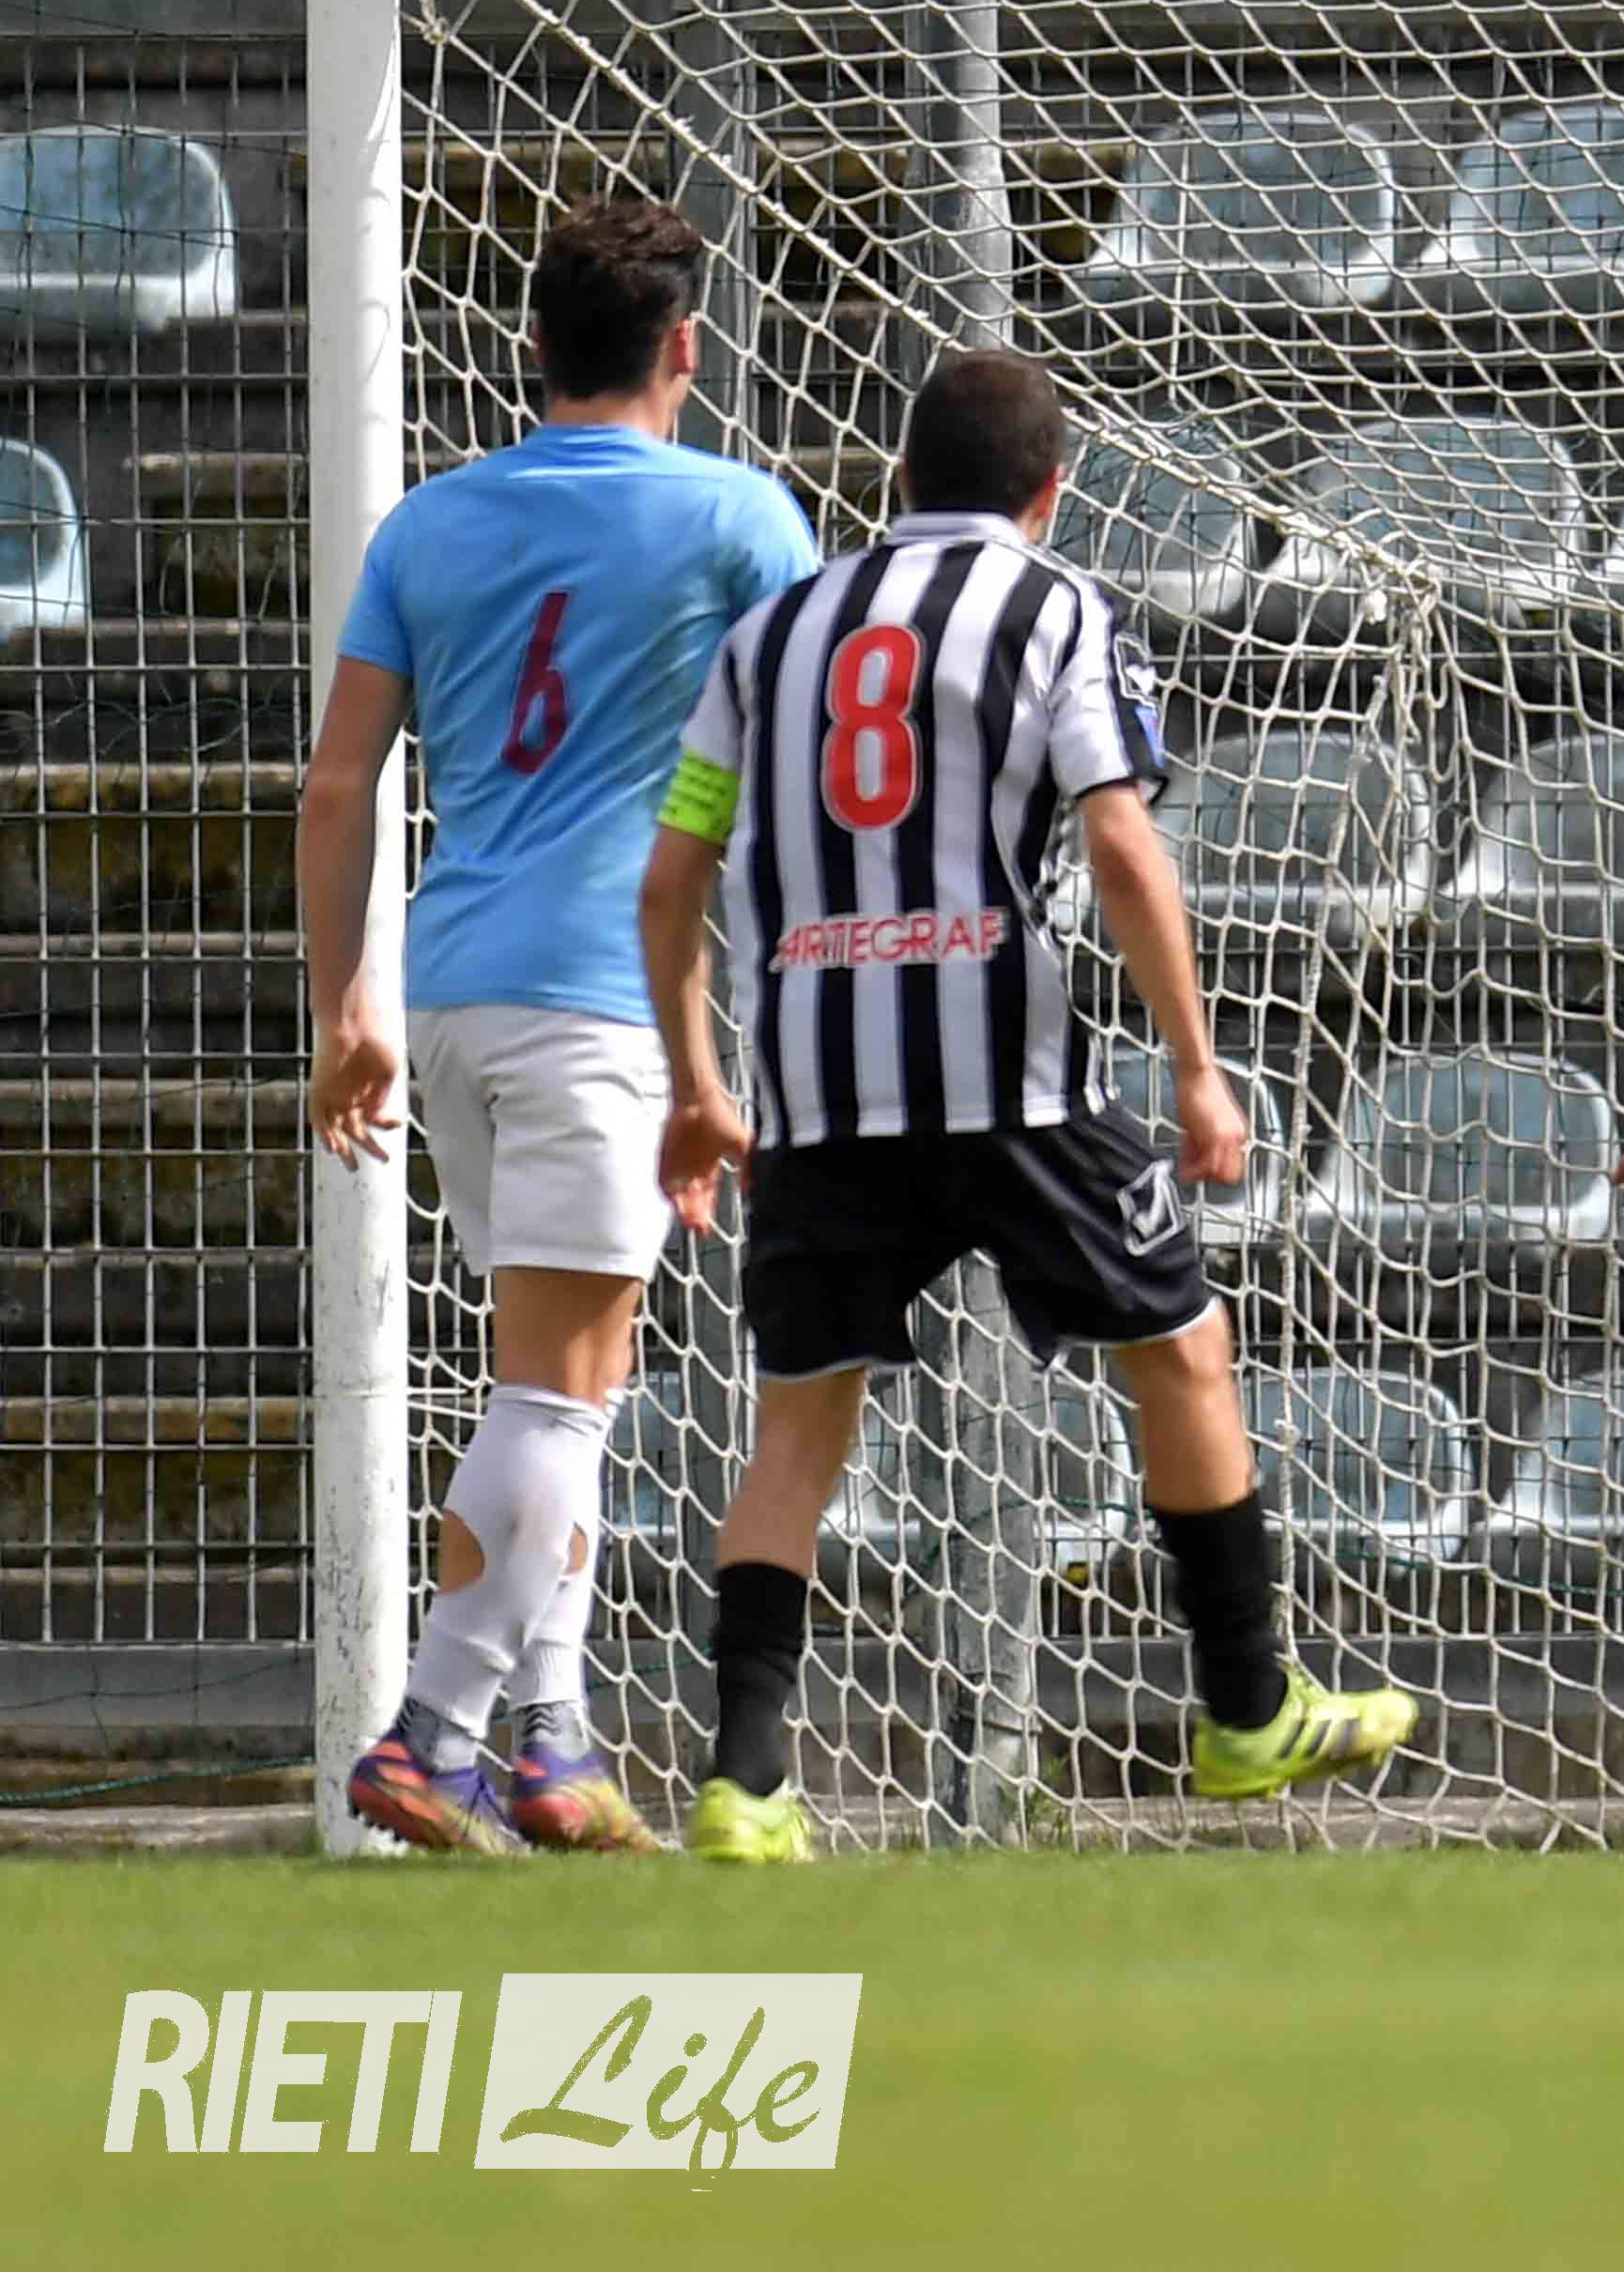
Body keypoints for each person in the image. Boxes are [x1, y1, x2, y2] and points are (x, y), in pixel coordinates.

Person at [638, 346, 1414, 1865]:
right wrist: (1196, 1063)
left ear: (898, 478)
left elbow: (674, 876)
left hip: (816, 1086)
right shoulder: (1055, 607)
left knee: (798, 1429)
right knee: (1180, 1346)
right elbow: (1120, 843)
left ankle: (743, 1784)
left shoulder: (769, 635)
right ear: (1049, 492)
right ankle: (1246, 1706)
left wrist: (697, 1086)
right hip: (1005, 1074)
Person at [305, 197, 821, 1855]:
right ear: (687, 349)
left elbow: (339, 785)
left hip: (451, 994)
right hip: (604, 1001)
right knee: (561, 1397)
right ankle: (432, 1737)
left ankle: (557, 1742)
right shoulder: (742, 516)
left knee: (557, 1377)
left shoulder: (428, 523)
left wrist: (344, 1005)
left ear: (533, 348)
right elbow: (806, 774)